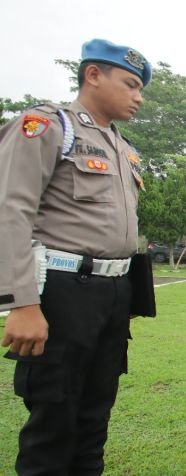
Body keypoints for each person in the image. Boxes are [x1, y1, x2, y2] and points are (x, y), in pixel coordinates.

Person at [0, 39, 151, 474]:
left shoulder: (122, 149)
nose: (138, 96)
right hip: (63, 292)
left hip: (113, 294)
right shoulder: (48, 126)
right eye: (130, 84)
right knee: (53, 424)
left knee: (93, 422)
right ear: (93, 75)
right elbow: (11, 212)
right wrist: (22, 304)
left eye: (140, 88)